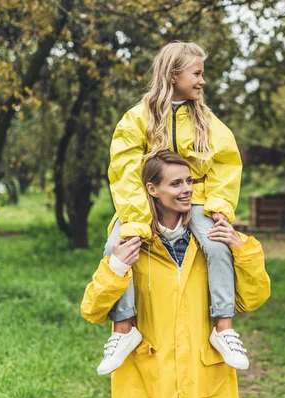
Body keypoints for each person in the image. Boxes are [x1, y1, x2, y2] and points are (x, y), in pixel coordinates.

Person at [97, 41, 245, 375]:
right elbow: (125, 171)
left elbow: (225, 163)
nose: (202, 81)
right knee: (115, 247)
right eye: (197, 73)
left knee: (217, 243)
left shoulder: (206, 119)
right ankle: (124, 328)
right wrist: (136, 220)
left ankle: (224, 327)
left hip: (197, 199)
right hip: (148, 202)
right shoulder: (138, 118)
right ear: (174, 74)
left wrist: (219, 207)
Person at [81, 151, 270, 398]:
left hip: (205, 382)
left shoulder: (213, 244)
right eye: (176, 183)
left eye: (189, 181)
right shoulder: (129, 246)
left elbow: (251, 300)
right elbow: (93, 310)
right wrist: (116, 267)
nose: (187, 190)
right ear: (152, 189)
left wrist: (241, 251)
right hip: (146, 383)